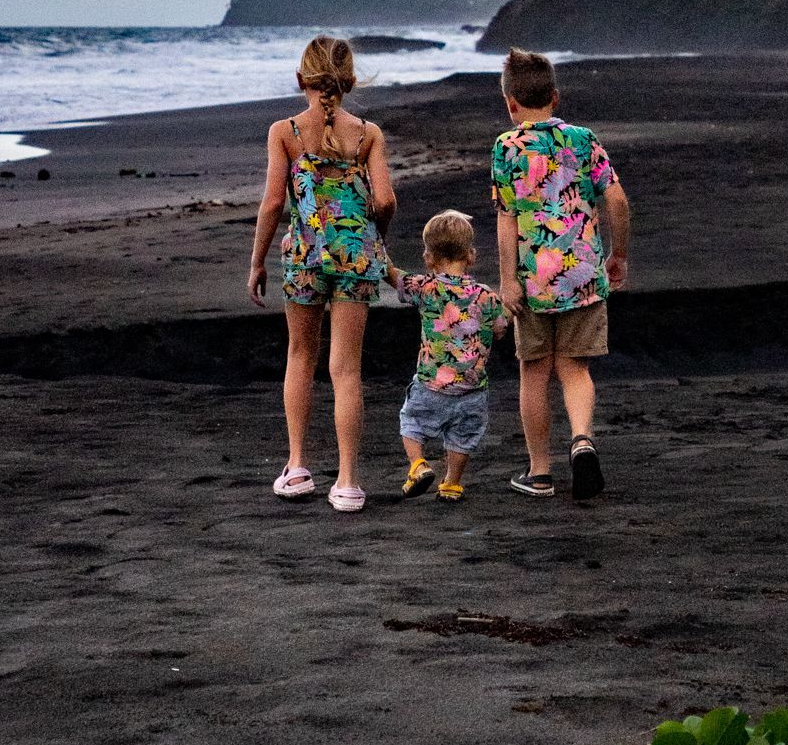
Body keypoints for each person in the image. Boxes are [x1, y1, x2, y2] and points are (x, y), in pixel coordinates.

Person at [248, 35, 395, 512]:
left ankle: (296, 467)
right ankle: (348, 482)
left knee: (300, 355)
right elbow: (387, 199)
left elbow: (274, 202)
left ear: (300, 80)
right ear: (348, 82)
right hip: (356, 258)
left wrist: (257, 261)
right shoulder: (368, 133)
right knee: (346, 368)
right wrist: (375, 237)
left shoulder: (285, 131)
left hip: (305, 256)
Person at [491, 48, 630, 501]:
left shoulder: (507, 148)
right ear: (556, 96)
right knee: (574, 370)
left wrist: (507, 280)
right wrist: (618, 254)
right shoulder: (583, 139)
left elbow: (507, 218)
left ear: (511, 103)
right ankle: (583, 440)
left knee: (534, 373)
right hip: (583, 277)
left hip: (532, 283)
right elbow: (617, 201)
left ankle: (540, 472)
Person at [385, 209, 508, 505]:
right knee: (463, 437)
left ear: (428, 258)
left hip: (431, 383)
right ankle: (451, 483)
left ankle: (418, 465)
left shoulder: (425, 288)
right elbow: (501, 327)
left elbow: (392, 276)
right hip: (471, 388)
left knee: (411, 422)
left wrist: (377, 244)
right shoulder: (486, 295)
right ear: (471, 256)